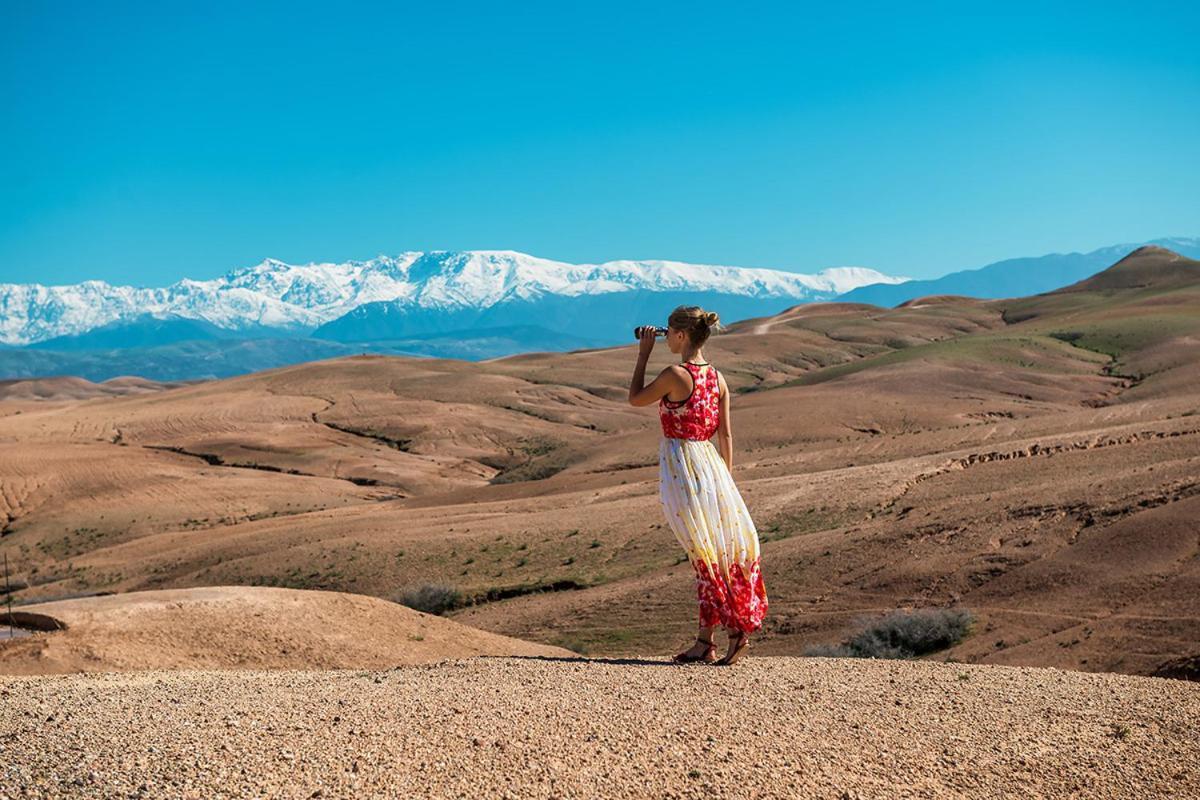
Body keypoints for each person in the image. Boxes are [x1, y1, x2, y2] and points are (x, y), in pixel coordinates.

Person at [627, 305, 768, 665]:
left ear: (680, 336)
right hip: (714, 468)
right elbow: (727, 433)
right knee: (711, 552)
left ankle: (735, 633)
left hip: (684, 469)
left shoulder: (675, 375)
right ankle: (705, 641)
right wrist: (727, 482)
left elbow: (636, 398)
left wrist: (642, 355)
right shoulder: (718, 378)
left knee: (702, 557)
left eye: (669, 333)